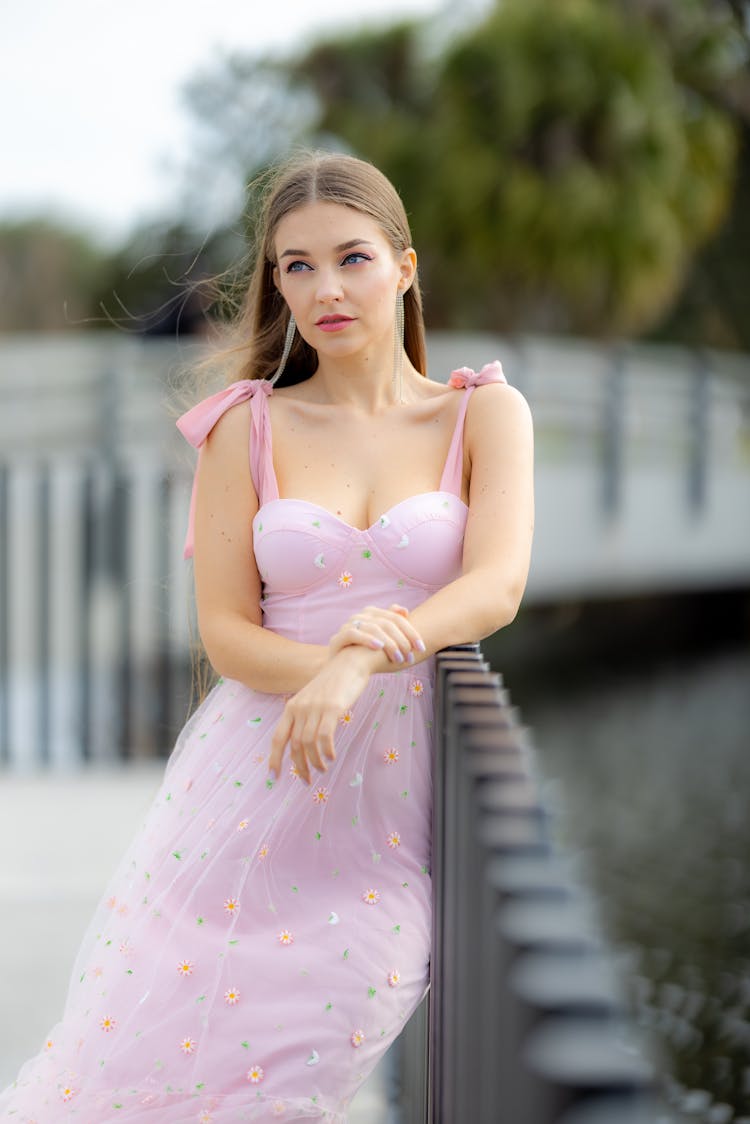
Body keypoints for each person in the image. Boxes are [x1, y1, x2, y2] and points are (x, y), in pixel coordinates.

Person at [0, 151, 534, 1122]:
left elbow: (496, 584)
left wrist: (366, 653)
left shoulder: (483, 411)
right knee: (149, 1078)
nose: (325, 288)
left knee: (304, 1075)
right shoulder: (242, 428)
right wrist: (325, 668)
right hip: (253, 798)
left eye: (352, 258)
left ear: (406, 267)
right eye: (296, 266)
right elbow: (226, 632)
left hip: (394, 821)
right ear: (276, 284)